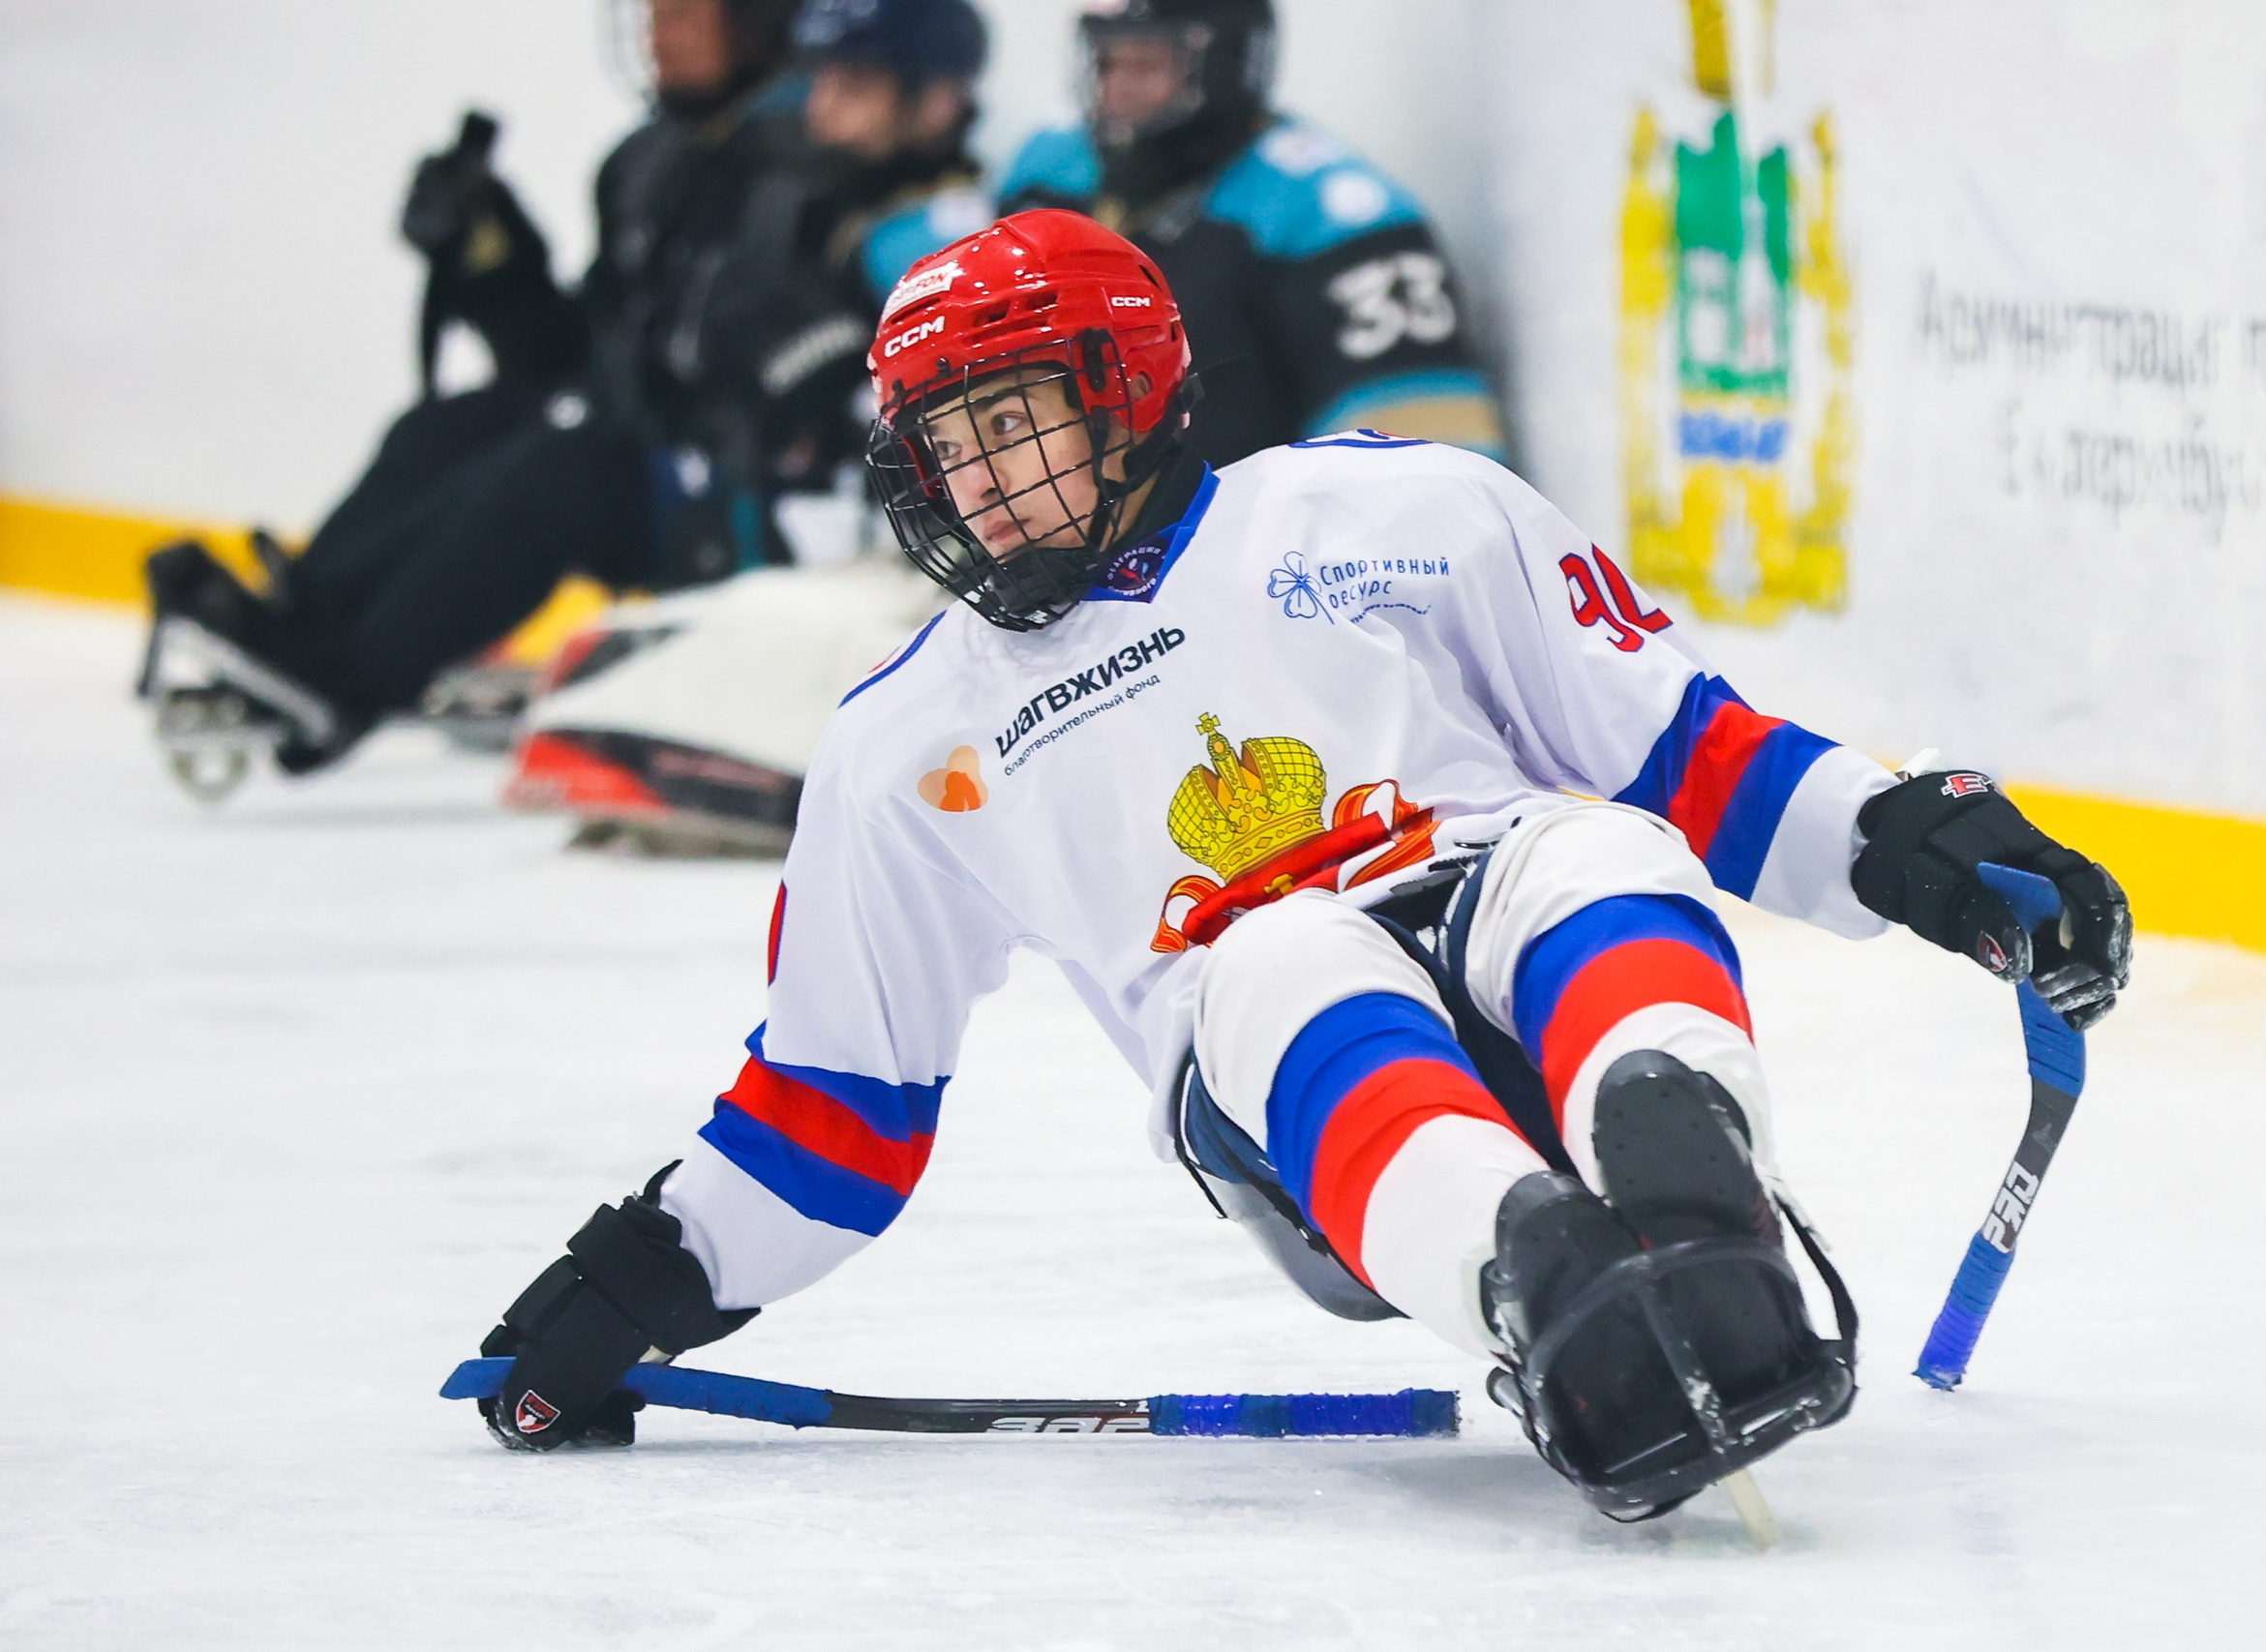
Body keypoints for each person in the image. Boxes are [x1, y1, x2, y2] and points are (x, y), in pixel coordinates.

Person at [467, 212, 2131, 1518]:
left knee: (1589, 844)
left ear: (1122, 392)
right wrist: (638, 1281)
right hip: (1298, 1114)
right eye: (940, 448)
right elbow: (834, 1101)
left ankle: (1706, 1202)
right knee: (1278, 957)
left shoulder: (1400, 517)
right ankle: (1539, 1292)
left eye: (1007, 430)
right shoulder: (907, 744)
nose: (967, 485)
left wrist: (1922, 846)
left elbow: (1679, 752)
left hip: (1507, 942)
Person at [139, 0, 989, 783]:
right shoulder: (671, 165)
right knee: (455, 428)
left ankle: (345, 676)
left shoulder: (876, 210)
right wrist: (490, 257)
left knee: (569, 464)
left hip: (759, 503)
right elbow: (580, 355)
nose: (660, 35)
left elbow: (856, 384)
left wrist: (787, 371)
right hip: (676, 463)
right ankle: (305, 622)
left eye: (687, 14)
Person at [997, 0, 1506, 467]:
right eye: (1107, 62)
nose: (1117, 89)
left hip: (1265, 558)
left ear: (1228, 64)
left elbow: (1430, 471)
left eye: (1147, 64)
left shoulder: (1337, 218)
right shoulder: (1045, 172)